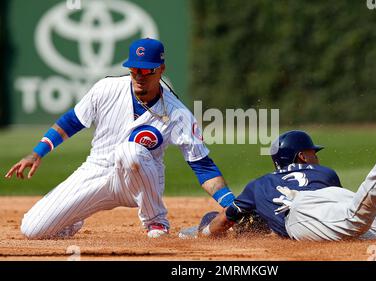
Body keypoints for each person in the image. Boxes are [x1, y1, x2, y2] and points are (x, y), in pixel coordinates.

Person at [4, 38, 236, 239]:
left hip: (139, 180)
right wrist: (38, 152)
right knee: (32, 229)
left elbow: (203, 167)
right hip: (96, 171)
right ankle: (72, 219)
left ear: (161, 69)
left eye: (147, 71)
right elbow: (71, 121)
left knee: (130, 151)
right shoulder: (106, 89)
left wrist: (232, 206)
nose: (139, 75)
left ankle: (156, 221)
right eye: (134, 69)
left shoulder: (179, 114)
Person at [196, 130, 376, 241]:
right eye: (312, 152)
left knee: (353, 222)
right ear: (302, 157)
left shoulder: (261, 184)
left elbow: (226, 219)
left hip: (303, 213)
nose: (316, 157)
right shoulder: (325, 173)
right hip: (337, 200)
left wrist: (206, 232)